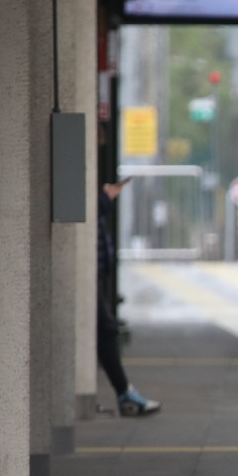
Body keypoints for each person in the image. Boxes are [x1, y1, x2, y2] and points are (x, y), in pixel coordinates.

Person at [98, 177, 161, 416]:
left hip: (93, 274)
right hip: (87, 274)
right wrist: (106, 198)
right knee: (107, 330)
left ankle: (123, 392)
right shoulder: (92, 196)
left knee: (105, 330)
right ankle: (124, 394)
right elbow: (89, 209)